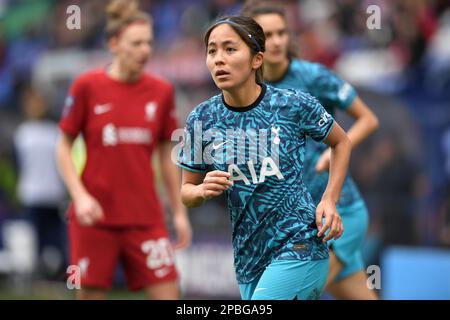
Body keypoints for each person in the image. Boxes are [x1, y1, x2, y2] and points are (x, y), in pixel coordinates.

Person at [177, 15, 350, 300]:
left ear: (257, 59)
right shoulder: (202, 118)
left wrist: (329, 199)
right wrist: (201, 190)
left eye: (230, 49)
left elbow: (341, 142)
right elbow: (186, 193)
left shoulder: (293, 104)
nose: (219, 59)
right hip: (249, 258)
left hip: (300, 246)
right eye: (212, 51)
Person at [241, 0, 379, 299]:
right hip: (301, 222)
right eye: (267, 34)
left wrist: (336, 150)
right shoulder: (248, 91)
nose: (277, 41)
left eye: (282, 33)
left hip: (338, 214)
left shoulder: (313, 77)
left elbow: (368, 119)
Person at [56, 0, 191, 300]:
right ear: (114, 44)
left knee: (170, 294)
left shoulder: (162, 91)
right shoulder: (86, 86)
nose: (145, 50)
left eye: (149, 43)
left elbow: (167, 156)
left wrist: (179, 212)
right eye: (136, 43)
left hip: (146, 218)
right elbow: (63, 147)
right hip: (94, 219)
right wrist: (80, 197)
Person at [14, 86, 67, 280]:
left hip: (53, 193)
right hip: (32, 193)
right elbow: (17, 164)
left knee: (56, 239)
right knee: (36, 240)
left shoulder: (54, 132)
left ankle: (60, 276)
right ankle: (38, 277)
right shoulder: (23, 133)